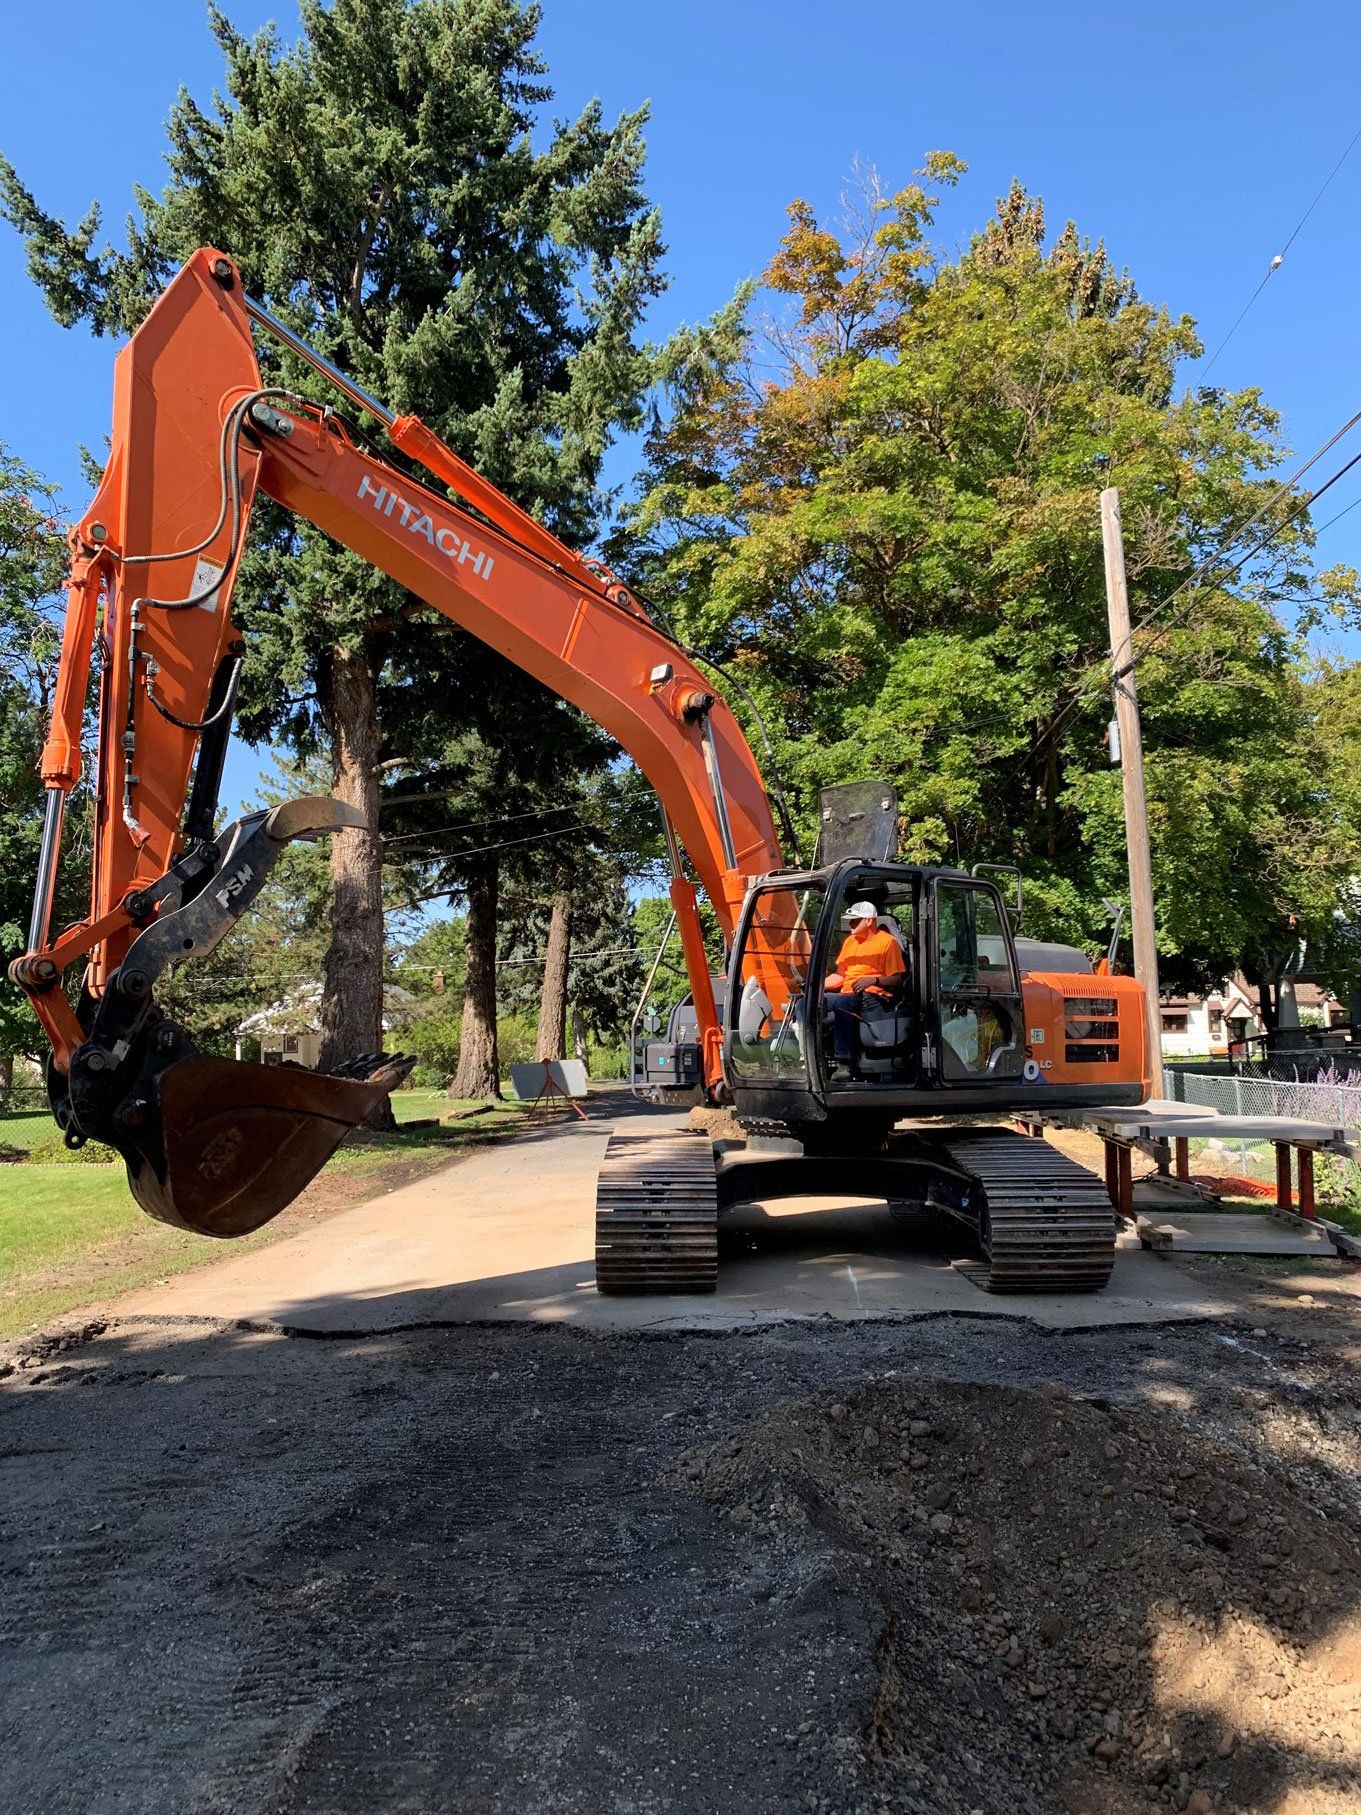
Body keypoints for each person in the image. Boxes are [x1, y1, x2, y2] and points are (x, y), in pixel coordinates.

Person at [824, 901, 906, 1074]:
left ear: (869, 921)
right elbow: (840, 975)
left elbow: (896, 979)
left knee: (843, 1004)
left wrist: (873, 980)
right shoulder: (849, 942)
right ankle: (806, 1055)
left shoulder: (888, 943)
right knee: (805, 1002)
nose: (850, 924)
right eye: (850, 920)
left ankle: (846, 1062)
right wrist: (814, 987)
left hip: (874, 996)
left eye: (855, 920)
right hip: (847, 995)